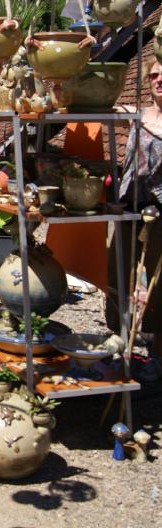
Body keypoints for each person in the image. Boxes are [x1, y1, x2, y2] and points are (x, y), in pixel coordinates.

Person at [108, 57, 162, 362]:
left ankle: (157, 357)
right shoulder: (137, 115)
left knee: (157, 285)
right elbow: (98, 107)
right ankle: (120, 347)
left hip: (160, 212)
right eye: (153, 75)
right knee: (118, 278)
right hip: (128, 205)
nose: (158, 80)